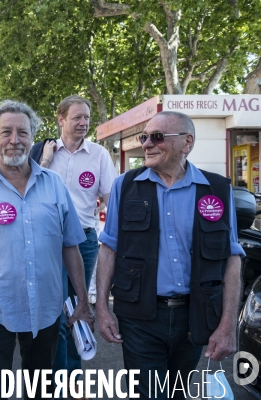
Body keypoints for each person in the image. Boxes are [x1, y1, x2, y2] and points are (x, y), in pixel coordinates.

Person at [96, 111, 244, 399]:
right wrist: (101, 308)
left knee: (176, 392)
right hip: (139, 315)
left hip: (195, 315)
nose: (147, 144)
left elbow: (231, 257)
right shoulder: (125, 186)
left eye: (157, 137)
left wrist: (227, 325)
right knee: (151, 394)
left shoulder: (216, 189)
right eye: (144, 137)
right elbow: (109, 248)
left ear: (186, 142)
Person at [0, 100, 93, 399]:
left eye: (22, 132)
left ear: (33, 137)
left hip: (46, 307)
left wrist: (82, 302)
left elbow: (71, 247)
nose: (14, 140)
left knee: (40, 389)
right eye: (6, 132)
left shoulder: (54, 185)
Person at [38, 95, 117, 382]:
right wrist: (45, 160)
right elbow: (32, 190)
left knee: (77, 311)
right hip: (47, 242)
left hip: (83, 241)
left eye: (87, 118)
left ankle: (70, 379)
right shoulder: (43, 152)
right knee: (56, 314)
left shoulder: (99, 155)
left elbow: (112, 198)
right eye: (77, 117)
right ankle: (61, 378)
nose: (84, 123)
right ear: (61, 119)